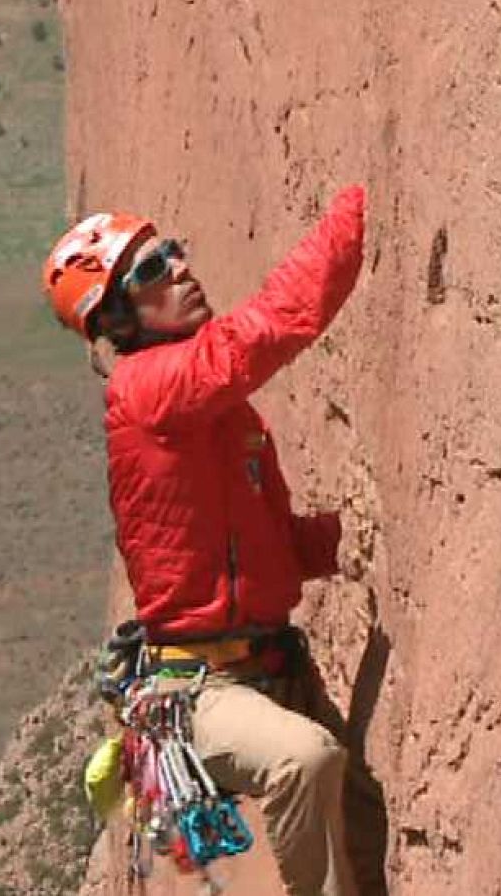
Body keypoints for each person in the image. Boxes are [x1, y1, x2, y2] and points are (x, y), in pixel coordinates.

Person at [42, 185, 373, 896]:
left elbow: (276, 546)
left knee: (368, 817)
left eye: (171, 250)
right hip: (199, 688)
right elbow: (263, 332)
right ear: (120, 317)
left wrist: (353, 539)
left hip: (271, 666)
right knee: (306, 762)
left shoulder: (226, 419)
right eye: (151, 269)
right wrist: (360, 210)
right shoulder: (147, 390)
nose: (179, 268)